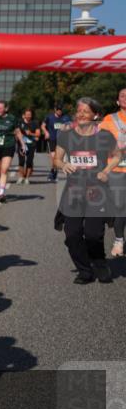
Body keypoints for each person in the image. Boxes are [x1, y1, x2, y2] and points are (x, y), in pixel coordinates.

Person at [54, 97, 121, 284]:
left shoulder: (105, 136)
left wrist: (106, 171)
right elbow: (57, 159)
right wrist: (63, 164)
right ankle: (84, 270)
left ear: (95, 115)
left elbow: (117, 155)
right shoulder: (66, 135)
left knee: (93, 235)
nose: (81, 114)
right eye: (79, 110)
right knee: (73, 234)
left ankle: (99, 263)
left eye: (86, 111)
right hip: (74, 191)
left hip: (97, 191)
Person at [98, 87, 126, 257]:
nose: (125, 97)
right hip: (116, 169)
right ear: (117, 100)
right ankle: (119, 240)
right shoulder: (109, 119)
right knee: (120, 205)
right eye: (122, 95)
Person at [0, 100, 19, 202]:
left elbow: (17, 131)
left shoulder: (12, 118)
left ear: (6, 108)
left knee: (4, 170)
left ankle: (2, 193)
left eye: (0, 108)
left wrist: (23, 145)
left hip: (9, 145)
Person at [44, 104, 73, 181]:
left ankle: (54, 171)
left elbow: (71, 125)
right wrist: (46, 132)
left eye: (61, 110)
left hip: (62, 140)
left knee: (62, 159)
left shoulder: (66, 117)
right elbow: (43, 125)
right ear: (55, 109)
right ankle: (53, 171)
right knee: (54, 158)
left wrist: (67, 127)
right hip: (53, 139)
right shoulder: (49, 117)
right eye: (58, 110)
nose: (59, 111)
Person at [16, 108, 41, 184]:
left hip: (31, 144)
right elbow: (16, 131)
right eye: (27, 114)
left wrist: (30, 133)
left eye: (29, 115)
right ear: (24, 115)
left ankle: (27, 178)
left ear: (31, 115)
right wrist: (19, 136)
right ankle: (21, 177)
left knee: (29, 162)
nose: (28, 116)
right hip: (22, 144)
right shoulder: (20, 122)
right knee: (21, 161)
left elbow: (38, 134)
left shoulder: (35, 123)